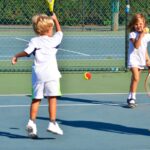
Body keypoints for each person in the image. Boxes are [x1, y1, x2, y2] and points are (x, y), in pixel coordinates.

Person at [11, 13, 63, 138]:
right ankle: (52, 123)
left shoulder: (34, 41)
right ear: (50, 28)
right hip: (51, 75)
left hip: (38, 75)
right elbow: (60, 32)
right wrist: (56, 20)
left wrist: (16, 56)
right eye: (51, 27)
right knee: (52, 97)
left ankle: (31, 122)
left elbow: (27, 52)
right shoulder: (54, 40)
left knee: (36, 99)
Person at [127, 13, 150, 108]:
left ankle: (130, 96)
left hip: (141, 60)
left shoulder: (147, 35)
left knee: (135, 79)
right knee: (136, 78)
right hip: (133, 59)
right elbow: (136, 46)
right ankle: (133, 98)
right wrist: (141, 36)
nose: (138, 26)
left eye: (140, 23)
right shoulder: (132, 34)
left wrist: (148, 60)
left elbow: (144, 49)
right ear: (133, 25)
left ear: (144, 24)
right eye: (136, 24)